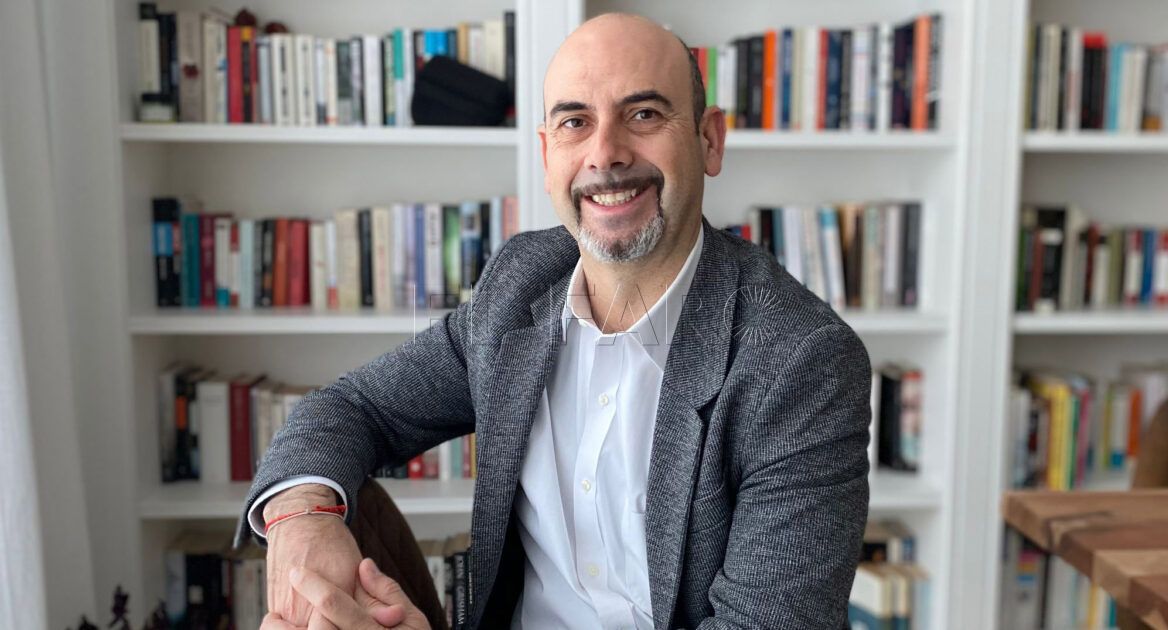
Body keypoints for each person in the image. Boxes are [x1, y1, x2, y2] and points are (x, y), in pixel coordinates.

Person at [240, 12, 872, 630]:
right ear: (547, 154)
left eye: (643, 114)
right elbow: (356, 408)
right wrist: (300, 519)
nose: (606, 153)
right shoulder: (521, 283)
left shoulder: (800, 358)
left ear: (709, 140)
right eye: (575, 122)